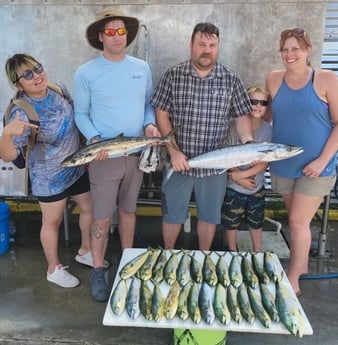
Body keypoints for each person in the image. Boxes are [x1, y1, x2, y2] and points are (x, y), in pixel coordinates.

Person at [73, 7, 159, 302]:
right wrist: (95, 140)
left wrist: (149, 124)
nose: (117, 36)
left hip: (136, 153)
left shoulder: (141, 67)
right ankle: (99, 269)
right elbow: (81, 113)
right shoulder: (86, 72)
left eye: (121, 31)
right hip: (103, 158)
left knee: (129, 210)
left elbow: (149, 104)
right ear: (101, 37)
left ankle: (127, 262)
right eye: (110, 31)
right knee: (101, 217)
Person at [151, 22, 254, 251]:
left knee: (209, 216)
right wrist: (173, 151)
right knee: (172, 214)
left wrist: (248, 142)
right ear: (191, 46)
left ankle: (204, 257)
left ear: (218, 47)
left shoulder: (230, 79)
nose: (206, 50)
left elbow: (241, 117)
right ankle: (169, 255)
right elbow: (162, 113)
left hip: (215, 166)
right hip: (178, 163)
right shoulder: (173, 75)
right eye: (201, 44)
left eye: (212, 45)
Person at [0, 53, 94, 288]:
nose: (37, 76)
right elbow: (11, 157)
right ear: (17, 83)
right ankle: (54, 269)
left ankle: (85, 250)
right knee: (51, 223)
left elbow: (76, 121)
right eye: (28, 74)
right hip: (48, 176)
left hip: (75, 165)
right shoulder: (20, 111)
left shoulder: (58, 89)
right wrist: (7, 134)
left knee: (89, 209)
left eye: (38, 68)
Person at [265, 28, 338, 296]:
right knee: (297, 219)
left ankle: (293, 280)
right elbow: (265, 117)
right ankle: (302, 266)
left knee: (298, 222)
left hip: (316, 166)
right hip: (284, 162)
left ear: (308, 50)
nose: (290, 54)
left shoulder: (326, 79)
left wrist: (323, 160)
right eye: (285, 49)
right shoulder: (274, 79)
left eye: (296, 49)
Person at [221, 86, 272, 253]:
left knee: (256, 221)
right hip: (233, 186)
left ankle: (258, 250)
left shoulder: (268, 130)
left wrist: (243, 175)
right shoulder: (232, 126)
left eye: (263, 103)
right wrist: (237, 178)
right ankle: (232, 251)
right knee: (230, 221)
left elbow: (265, 162)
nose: (258, 106)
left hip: (256, 187)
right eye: (253, 101)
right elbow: (224, 154)